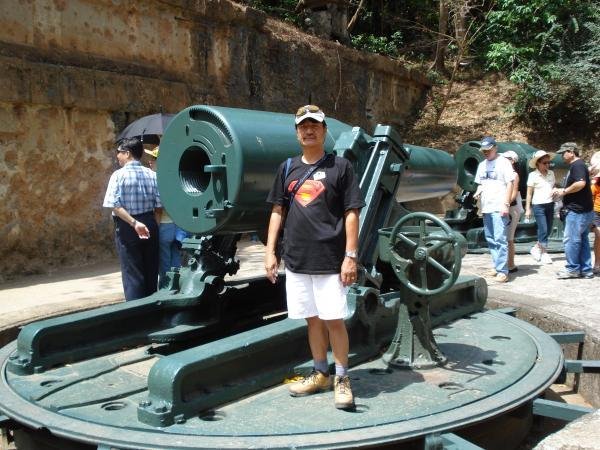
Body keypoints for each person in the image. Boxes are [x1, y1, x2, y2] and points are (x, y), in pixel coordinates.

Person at [265, 104, 364, 410]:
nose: (309, 130)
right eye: (303, 126)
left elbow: (351, 213)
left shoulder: (341, 167)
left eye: (315, 126)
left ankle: (342, 377)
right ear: (297, 133)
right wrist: (270, 251)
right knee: (311, 319)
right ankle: (320, 371)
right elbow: (277, 210)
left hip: (329, 258)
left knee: (334, 319)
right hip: (296, 259)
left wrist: (350, 255)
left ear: (323, 131)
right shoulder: (286, 168)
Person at [103, 137, 161, 300]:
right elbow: (158, 206)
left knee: (132, 273)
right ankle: (152, 308)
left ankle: (136, 314)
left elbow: (113, 204)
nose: (117, 156)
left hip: (128, 226)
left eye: (119, 153)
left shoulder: (118, 175)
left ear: (127, 154)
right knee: (151, 270)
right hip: (150, 223)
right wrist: (151, 225)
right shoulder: (152, 174)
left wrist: (135, 223)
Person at [473, 136, 515, 283]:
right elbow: (480, 183)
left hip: (499, 206)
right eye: (484, 150)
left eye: (488, 150)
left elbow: (510, 184)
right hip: (486, 207)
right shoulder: (482, 165)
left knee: (500, 238)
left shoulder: (503, 163)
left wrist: (506, 203)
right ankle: (497, 266)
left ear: (495, 148)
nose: (486, 152)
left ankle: (503, 271)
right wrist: (478, 192)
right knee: (491, 238)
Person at [145, 147, 187, 287]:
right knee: (175, 259)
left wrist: (154, 227)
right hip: (177, 226)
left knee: (164, 262)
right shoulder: (176, 177)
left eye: (154, 159)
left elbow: (158, 207)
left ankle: (165, 288)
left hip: (163, 224)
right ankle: (178, 286)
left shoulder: (158, 179)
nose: (150, 161)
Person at [553, 142, 594, 279]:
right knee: (582, 240)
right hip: (584, 210)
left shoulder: (577, 165)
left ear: (571, 151)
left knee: (571, 240)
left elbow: (581, 183)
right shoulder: (580, 165)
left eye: (563, 153)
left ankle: (572, 269)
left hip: (577, 211)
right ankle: (586, 269)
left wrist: (564, 191)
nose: (562, 156)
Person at [524, 150, 556, 265]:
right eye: (544, 163)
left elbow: (552, 187)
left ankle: (536, 247)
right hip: (538, 205)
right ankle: (544, 252)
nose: (547, 165)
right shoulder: (533, 175)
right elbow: (529, 193)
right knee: (543, 228)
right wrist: (528, 209)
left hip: (550, 204)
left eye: (549, 163)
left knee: (548, 229)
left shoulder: (551, 173)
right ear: (538, 163)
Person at [501, 151, 524, 273]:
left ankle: (511, 264)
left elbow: (514, 193)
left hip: (511, 208)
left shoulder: (514, 175)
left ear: (512, 160)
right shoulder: (504, 173)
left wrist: (505, 204)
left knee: (509, 238)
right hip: (505, 207)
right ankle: (503, 263)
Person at [589, 151, 600, 274]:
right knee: (599, 237)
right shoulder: (595, 183)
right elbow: (590, 199)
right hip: (597, 212)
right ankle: (597, 263)